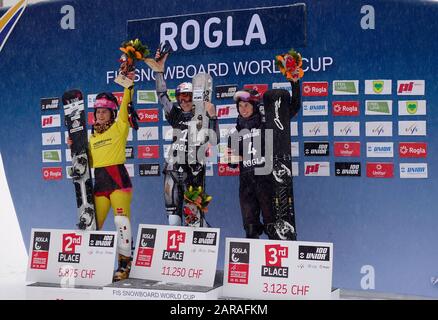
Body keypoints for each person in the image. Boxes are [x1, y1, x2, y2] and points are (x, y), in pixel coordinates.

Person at [67, 73, 135, 281]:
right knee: (93, 225)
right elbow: (87, 161)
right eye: (98, 111)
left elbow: (126, 103)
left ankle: (124, 265)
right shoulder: (93, 137)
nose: (100, 115)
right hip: (100, 184)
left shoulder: (119, 127)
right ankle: (91, 265)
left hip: (119, 182)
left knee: (121, 220)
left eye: (105, 111)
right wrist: (74, 148)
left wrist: (128, 84)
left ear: (112, 113)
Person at [226, 79, 301, 240]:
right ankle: (253, 263)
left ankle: (279, 263)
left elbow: (292, 109)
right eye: (240, 105)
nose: (243, 109)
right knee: (250, 229)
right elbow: (231, 162)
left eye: (246, 105)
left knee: (273, 227)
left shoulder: (267, 123)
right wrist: (239, 156)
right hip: (246, 185)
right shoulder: (234, 132)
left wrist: (295, 84)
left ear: (255, 105)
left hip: (266, 182)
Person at [153, 47, 219, 226]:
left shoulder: (203, 117)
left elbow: (214, 140)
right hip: (173, 171)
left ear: (195, 98)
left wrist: (212, 117)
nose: (184, 101)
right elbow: (161, 95)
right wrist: (159, 70)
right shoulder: (175, 115)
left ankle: (205, 244)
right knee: (173, 221)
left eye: (188, 98)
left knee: (194, 220)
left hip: (194, 172)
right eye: (181, 98)